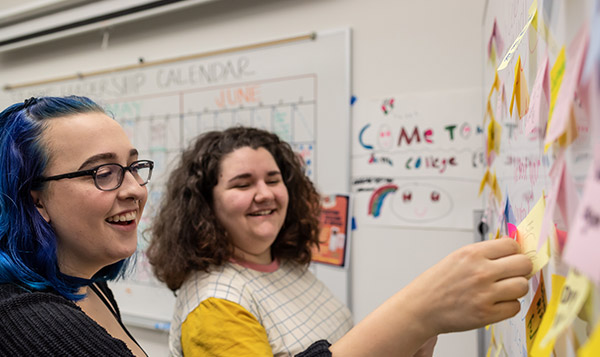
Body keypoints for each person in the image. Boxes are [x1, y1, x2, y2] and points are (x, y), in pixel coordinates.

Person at [146, 126, 533, 357]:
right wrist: (415, 314)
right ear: (205, 205)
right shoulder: (214, 305)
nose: (265, 193)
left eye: (274, 179)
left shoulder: (288, 267)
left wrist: (411, 337)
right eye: (242, 184)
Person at [0, 96, 153, 356]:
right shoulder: (36, 324)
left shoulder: (88, 287)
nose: (135, 189)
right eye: (103, 173)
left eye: (134, 167)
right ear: (36, 201)